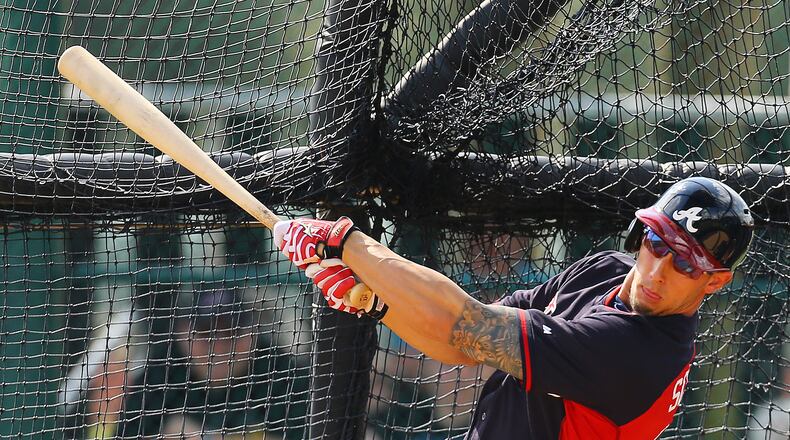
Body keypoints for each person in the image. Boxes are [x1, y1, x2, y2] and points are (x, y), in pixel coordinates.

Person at [273, 176, 755, 439]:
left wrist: (347, 244)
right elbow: (461, 345)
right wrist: (377, 304)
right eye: (656, 242)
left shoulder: (642, 355)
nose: (656, 270)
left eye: (686, 265)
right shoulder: (606, 270)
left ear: (715, 282)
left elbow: (466, 326)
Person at [84, 289, 309, 439]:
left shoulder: (284, 376)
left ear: (252, 334)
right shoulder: (160, 377)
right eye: (206, 332)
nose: (218, 346)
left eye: (231, 332)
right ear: (184, 334)